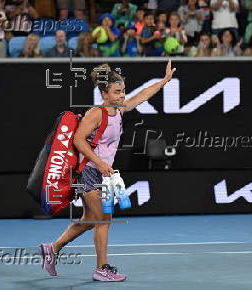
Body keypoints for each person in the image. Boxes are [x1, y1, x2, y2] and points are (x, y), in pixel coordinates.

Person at [39, 59, 177, 282]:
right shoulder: (96, 113)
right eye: (117, 92)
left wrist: (164, 81)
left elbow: (142, 95)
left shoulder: (120, 109)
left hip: (100, 172)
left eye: (123, 91)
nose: (122, 96)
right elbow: (78, 140)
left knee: (91, 219)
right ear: (104, 94)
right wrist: (100, 163)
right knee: (104, 219)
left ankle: (52, 249)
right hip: (87, 171)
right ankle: (101, 268)